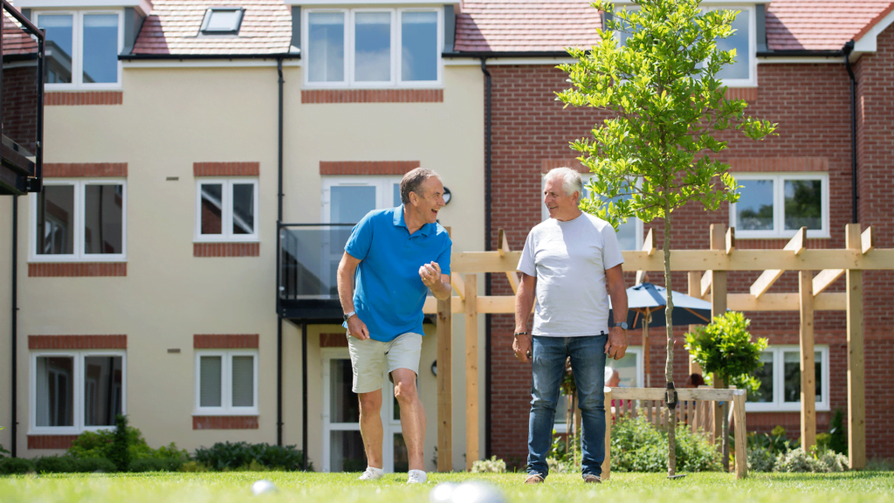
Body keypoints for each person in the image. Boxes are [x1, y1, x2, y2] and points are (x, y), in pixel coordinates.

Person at [513, 167, 629, 484]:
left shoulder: (601, 230)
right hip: (546, 334)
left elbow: (617, 285)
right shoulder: (538, 233)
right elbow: (526, 286)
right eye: (546, 192)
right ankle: (535, 470)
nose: (546, 199)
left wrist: (619, 326)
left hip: (591, 333)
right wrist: (521, 330)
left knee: (592, 403)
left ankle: (592, 471)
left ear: (574, 196)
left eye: (553, 193)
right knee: (542, 403)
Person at [336, 168, 453, 484]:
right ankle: (374, 468)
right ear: (413, 198)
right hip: (366, 325)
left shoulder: (439, 237)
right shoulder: (375, 223)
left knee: (406, 387)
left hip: (407, 326)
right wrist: (350, 316)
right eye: (435, 195)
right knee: (370, 401)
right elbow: (345, 269)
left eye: (442, 194)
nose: (441, 201)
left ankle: (417, 470)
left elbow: (446, 292)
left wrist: (435, 283)